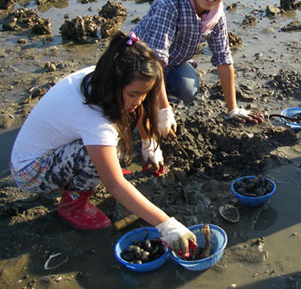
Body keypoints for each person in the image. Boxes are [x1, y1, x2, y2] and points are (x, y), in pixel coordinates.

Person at [10, 31, 196, 254]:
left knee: (119, 126)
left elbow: (140, 103)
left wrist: (149, 143)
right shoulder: (93, 117)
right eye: (134, 93)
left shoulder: (102, 79)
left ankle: (95, 170)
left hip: (53, 148)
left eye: (144, 93)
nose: (139, 101)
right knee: (92, 157)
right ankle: (73, 205)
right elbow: (115, 185)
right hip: (30, 171)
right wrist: (166, 224)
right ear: (116, 83)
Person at [131, 0, 263, 133]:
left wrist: (233, 109)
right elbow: (154, 61)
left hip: (173, 63)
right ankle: (147, 100)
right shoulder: (168, 6)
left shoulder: (216, 15)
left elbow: (223, 59)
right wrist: (164, 110)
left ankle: (159, 94)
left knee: (187, 88)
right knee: (140, 115)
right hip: (138, 64)